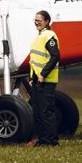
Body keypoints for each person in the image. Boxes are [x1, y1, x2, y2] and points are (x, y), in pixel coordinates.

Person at [27, 9, 61, 147]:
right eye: (35, 20)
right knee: (37, 111)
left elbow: (55, 56)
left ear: (46, 21)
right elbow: (35, 60)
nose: (36, 23)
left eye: (39, 20)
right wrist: (32, 77)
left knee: (46, 111)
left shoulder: (49, 36)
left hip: (46, 80)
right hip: (37, 80)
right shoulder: (40, 36)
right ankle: (42, 140)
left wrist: (43, 74)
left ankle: (52, 141)